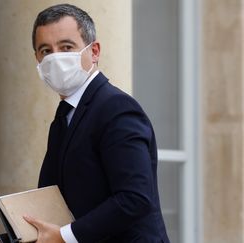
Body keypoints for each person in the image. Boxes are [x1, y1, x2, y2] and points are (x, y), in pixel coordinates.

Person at [23, 4, 170, 243]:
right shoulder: (64, 117)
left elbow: (135, 198)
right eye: (46, 50)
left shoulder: (116, 109)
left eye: (66, 47)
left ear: (94, 51)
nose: (56, 57)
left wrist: (64, 236)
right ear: (37, 59)